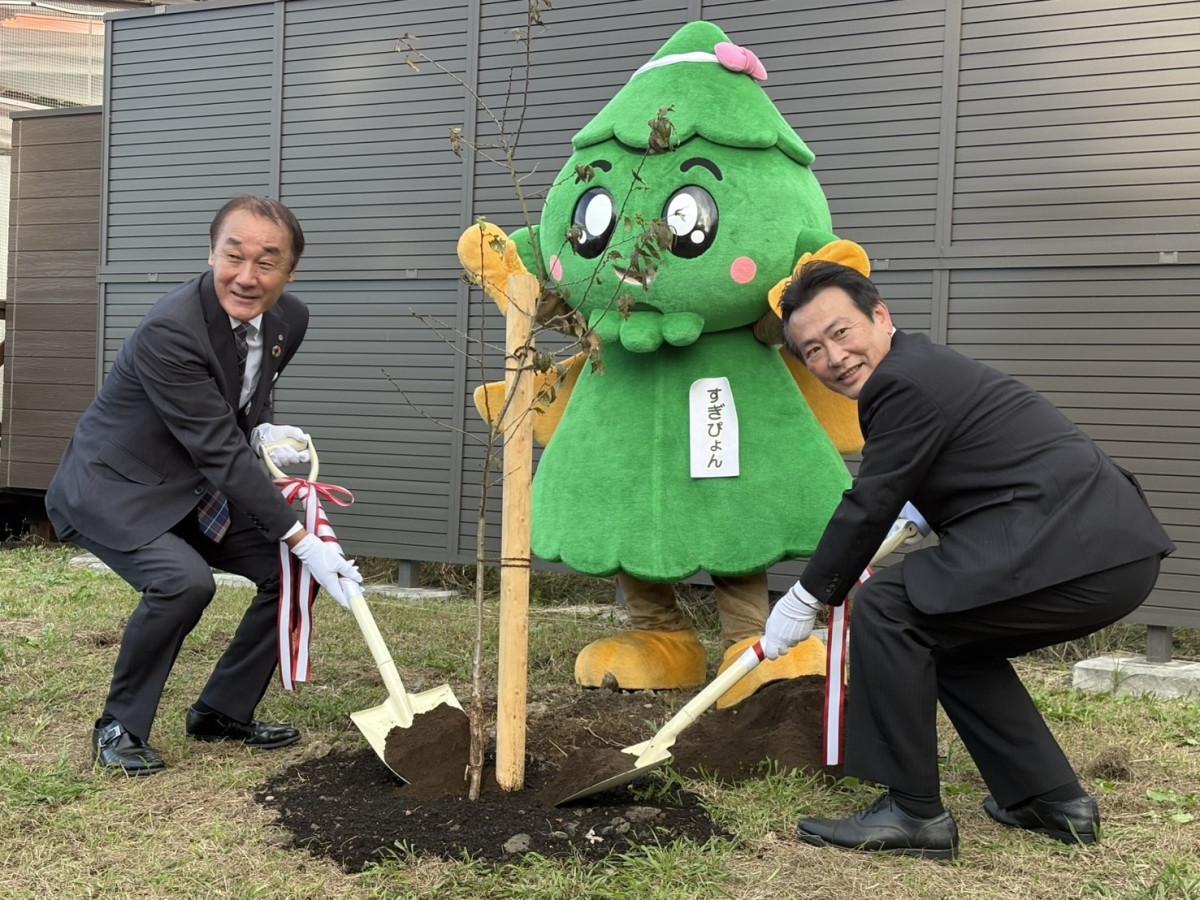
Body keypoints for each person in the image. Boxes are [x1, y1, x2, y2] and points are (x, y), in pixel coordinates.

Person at [762, 259, 1174, 859]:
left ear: (880, 316)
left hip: (1076, 549)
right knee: (942, 631)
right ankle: (1049, 799)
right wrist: (926, 507)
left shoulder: (900, 381)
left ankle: (912, 812)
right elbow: (972, 458)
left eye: (841, 332)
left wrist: (807, 596)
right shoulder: (921, 368)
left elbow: (870, 502)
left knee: (888, 607)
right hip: (1108, 553)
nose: (834, 357)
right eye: (813, 351)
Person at [46, 196, 361, 776]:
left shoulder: (290, 319)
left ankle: (221, 712)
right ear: (211, 254)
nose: (247, 276)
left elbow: (246, 388)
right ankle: (119, 727)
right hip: (116, 486)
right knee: (183, 582)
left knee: (287, 573)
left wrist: (261, 424)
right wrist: (301, 537)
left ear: (290, 272)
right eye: (233, 256)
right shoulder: (171, 330)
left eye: (267, 262)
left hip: (192, 486)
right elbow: (217, 449)